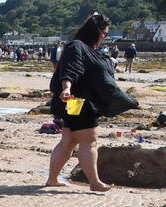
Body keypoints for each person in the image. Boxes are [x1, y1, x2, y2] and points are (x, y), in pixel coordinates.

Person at [44, 13, 118, 193]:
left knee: (68, 141)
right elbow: (70, 70)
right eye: (105, 33)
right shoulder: (77, 47)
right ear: (97, 32)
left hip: (74, 102)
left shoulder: (84, 48)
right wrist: (66, 87)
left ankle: (52, 179)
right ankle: (95, 182)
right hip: (78, 102)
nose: (104, 37)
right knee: (89, 141)